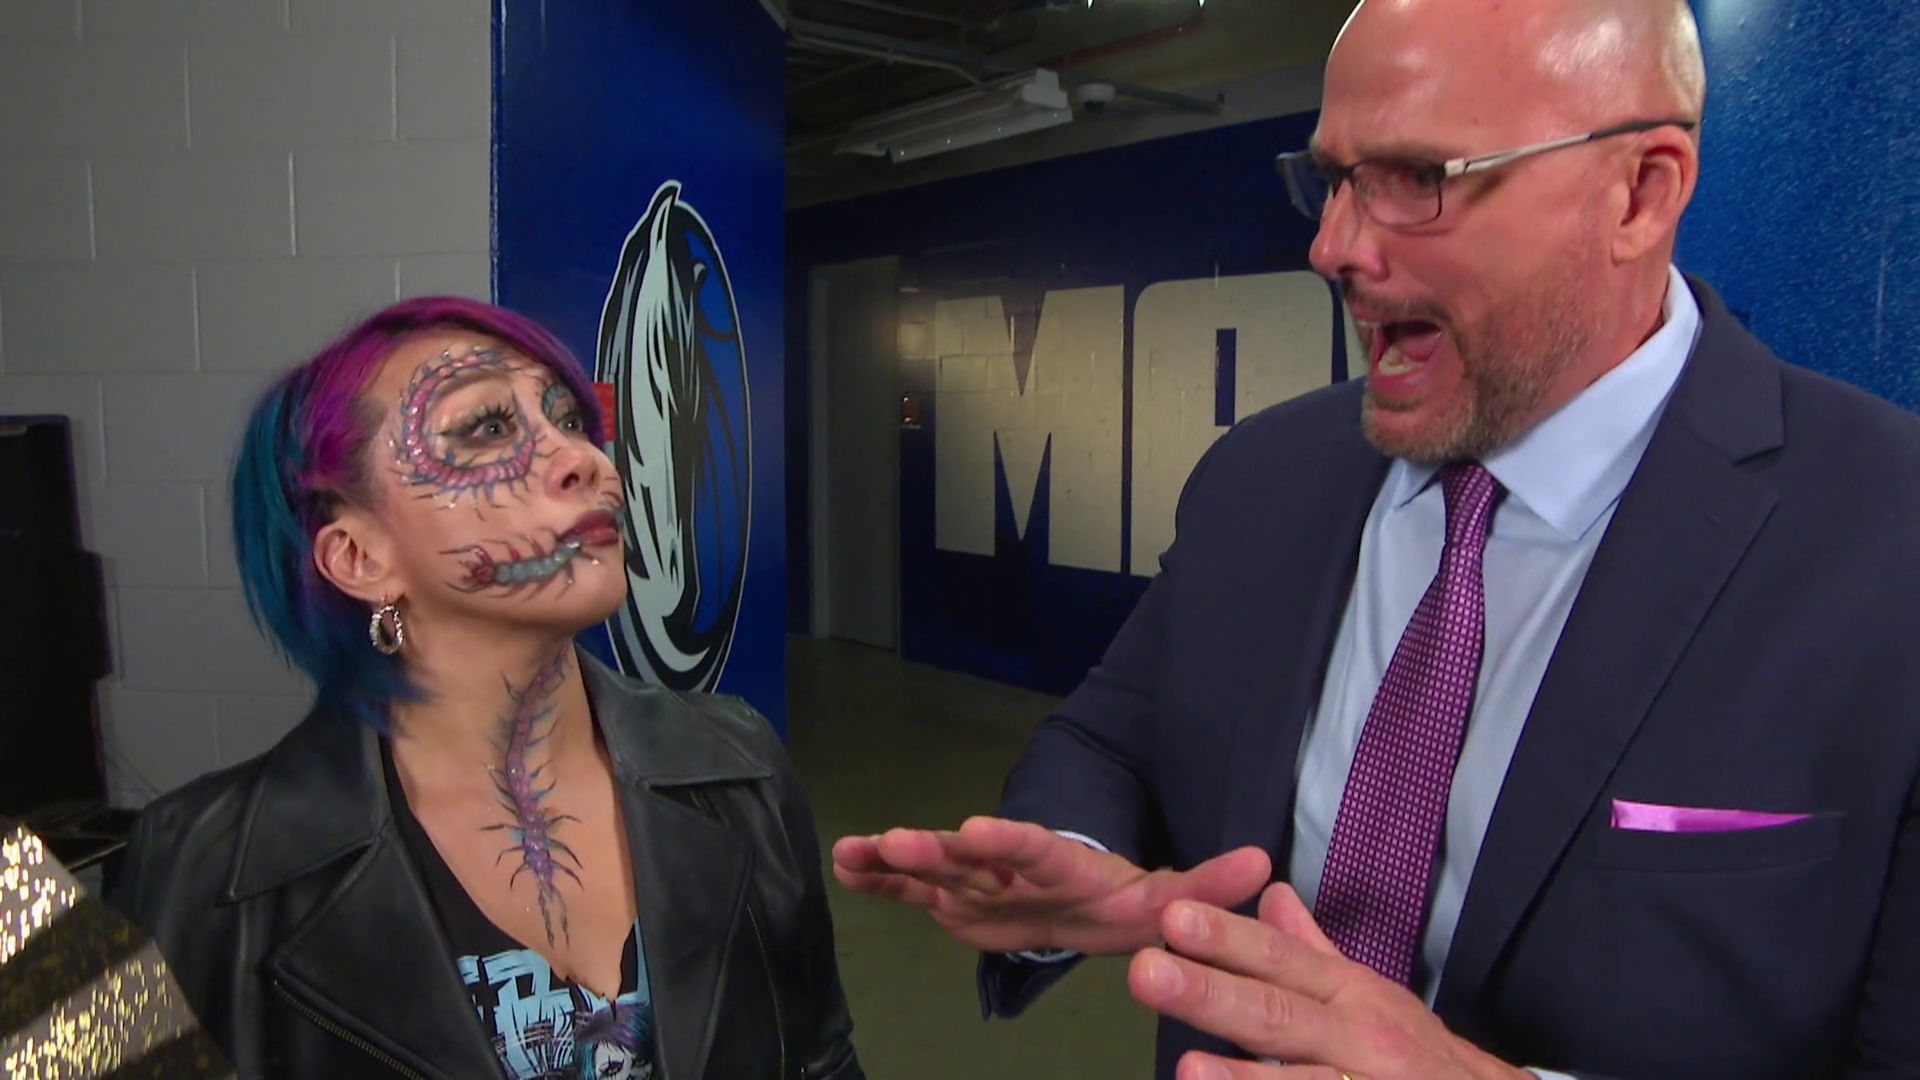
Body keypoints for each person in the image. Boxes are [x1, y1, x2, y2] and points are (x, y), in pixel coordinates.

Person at [830, 1, 1920, 1077]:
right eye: (1336, 180)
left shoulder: (1888, 539)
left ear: (1639, 193)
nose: (1332, 246)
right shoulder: (1261, 477)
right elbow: (1115, 739)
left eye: (1418, 178)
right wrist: (1075, 855)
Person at [109, 297, 863, 1080]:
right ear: (358, 557)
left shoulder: (737, 766)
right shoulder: (205, 873)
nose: (587, 462)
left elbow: (819, 1059)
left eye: (568, 421)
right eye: (487, 429)